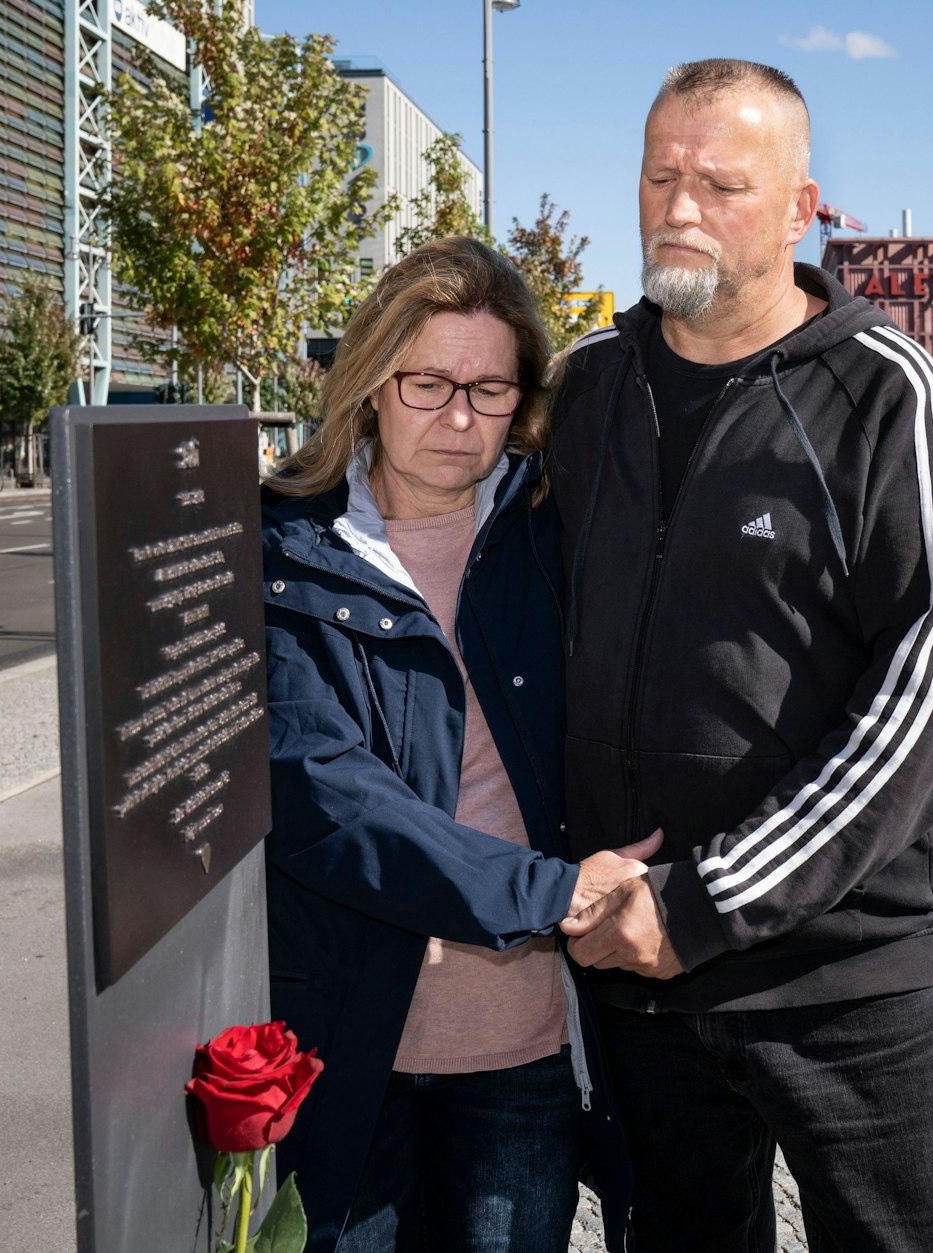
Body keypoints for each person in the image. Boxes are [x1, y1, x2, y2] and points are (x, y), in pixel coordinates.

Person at [549, 59, 933, 1252]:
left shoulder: (887, 397)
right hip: (638, 983)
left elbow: (929, 711)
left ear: (802, 208)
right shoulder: (587, 392)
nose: (680, 208)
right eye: (659, 176)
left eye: (721, 184)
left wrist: (704, 902)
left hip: (849, 985)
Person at [260, 236, 638, 1253]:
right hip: (340, 1042)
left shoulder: (556, 540)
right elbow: (310, 787)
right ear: (371, 380)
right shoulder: (278, 547)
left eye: (490, 389)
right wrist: (550, 892)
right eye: (428, 382)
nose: (458, 418)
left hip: (520, 1042)